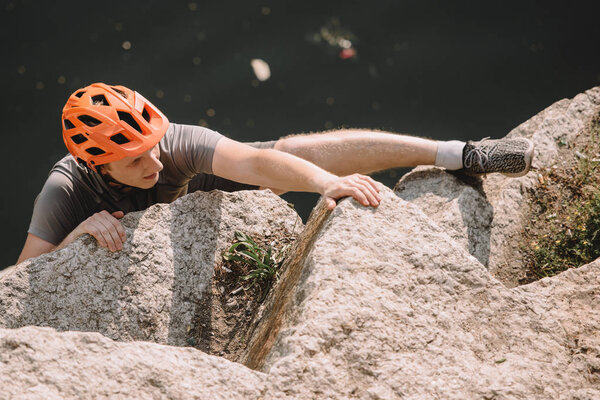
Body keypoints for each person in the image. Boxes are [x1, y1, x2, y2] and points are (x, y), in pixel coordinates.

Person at [17, 83, 534, 263]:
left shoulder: (173, 145)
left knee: (290, 151)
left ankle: (461, 153)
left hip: (202, 187)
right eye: (136, 160)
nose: (155, 162)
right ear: (96, 162)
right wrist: (75, 235)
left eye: (155, 147)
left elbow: (256, 162)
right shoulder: (66, 189)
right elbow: (18, 278)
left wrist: (322, 183)